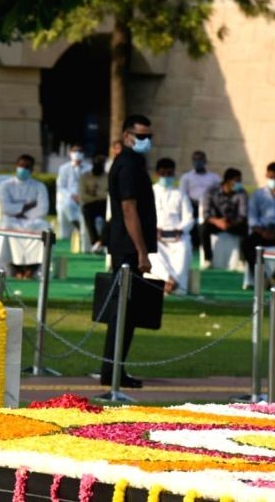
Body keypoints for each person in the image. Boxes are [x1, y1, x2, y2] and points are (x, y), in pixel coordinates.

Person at [101, 114, 157, 389]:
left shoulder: (133, 163)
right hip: (127, 249)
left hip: (126, 246)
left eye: (149, 136)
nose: (146, 141)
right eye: (141, 136)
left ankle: (114, 370)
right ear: (127, 136)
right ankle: (112, 372)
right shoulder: (128, 165)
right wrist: (141, 252)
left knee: (127, 312)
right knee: (124, 311)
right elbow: (128, 209)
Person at [0, 154, 51, 279]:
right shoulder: (5, 185)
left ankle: (34, 268)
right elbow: (5, 208)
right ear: (16, 167)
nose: (23, 169)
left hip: (32, 221)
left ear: (32, 170)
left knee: (45, 227)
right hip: (11, 220)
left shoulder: (39, 186)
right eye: (21, 166)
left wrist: (21, 212)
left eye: (27, 167)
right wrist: (26, 207)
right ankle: (11, 268)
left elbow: (43, 209)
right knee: (5, 225)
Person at [149, 158, 193, 294]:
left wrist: (180, 230)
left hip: (177, 236)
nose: (166, 177)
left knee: (185, 249)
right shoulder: (149, 192)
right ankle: (168, 280)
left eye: (169, 174)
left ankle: (175, 285)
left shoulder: (180, 194)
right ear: (157, 174)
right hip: (156, 236)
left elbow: (189, 218)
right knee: (151, 253)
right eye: (163, 174)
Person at [201, 168, 248, 269]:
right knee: (203, 228)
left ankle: (242, 260)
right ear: (228, 181)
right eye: (237, 181)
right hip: (216, 222)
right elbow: (206, 213)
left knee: (246, 229)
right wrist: (217, 222)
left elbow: (243, 215)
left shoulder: (242, 193)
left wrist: (231, 223)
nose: (239, 183)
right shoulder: (211, 191)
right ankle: (207, 259)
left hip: (234, 223)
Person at [179, 151, 221, 249]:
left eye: (200, 159)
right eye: (195, 160)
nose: (198, 162)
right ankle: (193, 245)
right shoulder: (186, 177)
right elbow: (182, 194)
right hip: (192, 206)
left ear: (205, 161)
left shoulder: (214, 177)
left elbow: (219, 193)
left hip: (209, 208)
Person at [56, 144, 91, 242]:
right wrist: (71, 196)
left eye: (80, 151)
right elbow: (61, 186)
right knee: (67, 205)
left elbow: (91, 185)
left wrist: (82, 196)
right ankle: (78, 226)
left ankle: (84, 231)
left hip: (84, 197)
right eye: (75, 151)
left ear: (83, 154)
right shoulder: (64, 168)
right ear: (70, 153)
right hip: (69, 197)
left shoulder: (89, 168)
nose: (77, 154)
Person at [79, 152, 108, 253]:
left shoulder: (107, 177)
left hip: (104, 205)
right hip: (90, 205)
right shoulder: (84, 177)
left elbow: (109, 196)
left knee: (111, 216)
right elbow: (82, 196)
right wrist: (99, 196)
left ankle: (102, 241)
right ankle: (95, 241)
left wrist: (94, 195)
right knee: (86, 212)